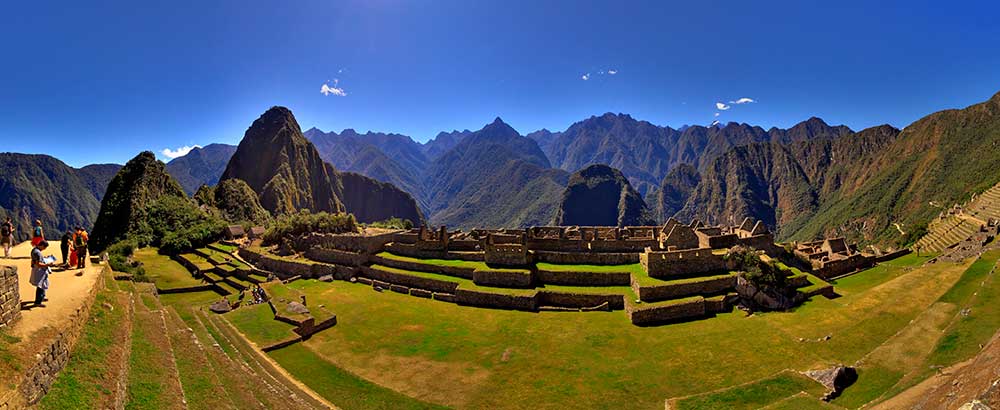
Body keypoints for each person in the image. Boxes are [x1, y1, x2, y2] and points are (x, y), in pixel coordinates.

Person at [29, 240, 52, 307]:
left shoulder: (34, 250)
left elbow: (35, 261)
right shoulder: (37, 252)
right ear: (41, 245)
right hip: (39, 270)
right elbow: (38, 264)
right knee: (40, 286)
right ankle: (38, 302)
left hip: (37, 270)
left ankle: (42, 297)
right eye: (44, 247)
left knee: (43, 284)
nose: (44, 249)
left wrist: (44, 259)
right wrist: (48, 264)